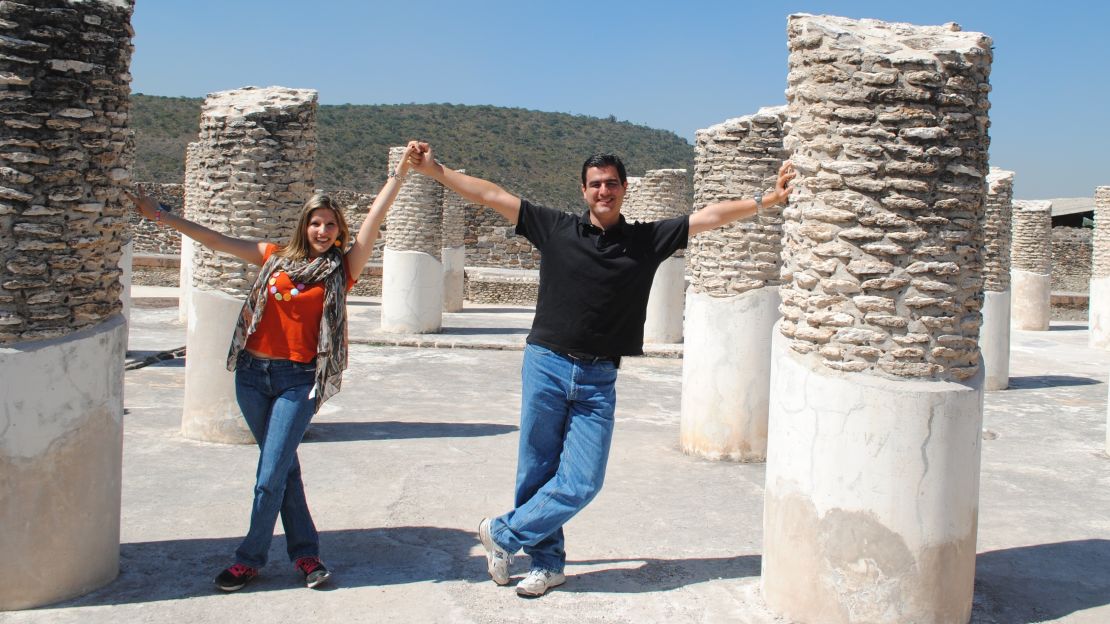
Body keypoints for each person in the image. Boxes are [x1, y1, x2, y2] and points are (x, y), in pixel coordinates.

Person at [408, 143, 795, 597]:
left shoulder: (646, 240)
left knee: (583, 481)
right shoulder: (554, 228)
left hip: (598, 379)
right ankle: (547, 565)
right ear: (584, 190)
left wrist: (767, 200)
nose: (604, 191)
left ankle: (502, 534)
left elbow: (708, 217)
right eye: (596, 184)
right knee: (536, 472)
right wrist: (436, 170)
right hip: (546, 365)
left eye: (612, 183)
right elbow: (491, 195)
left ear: (624, 188)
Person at [126, 141, 421, 592]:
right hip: (251, 375)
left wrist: (401, 171)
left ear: (340, 231)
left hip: (297, 380)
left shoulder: (341, 269)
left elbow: (376, 218)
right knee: (284, 469)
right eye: (316, 222)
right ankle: (306, 556)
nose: (323, 230)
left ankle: (249, 558)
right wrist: (162, 215)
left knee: (269, 475)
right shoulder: (275, 258)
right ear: (305, 225)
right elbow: (216, 240)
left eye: (331, 224)